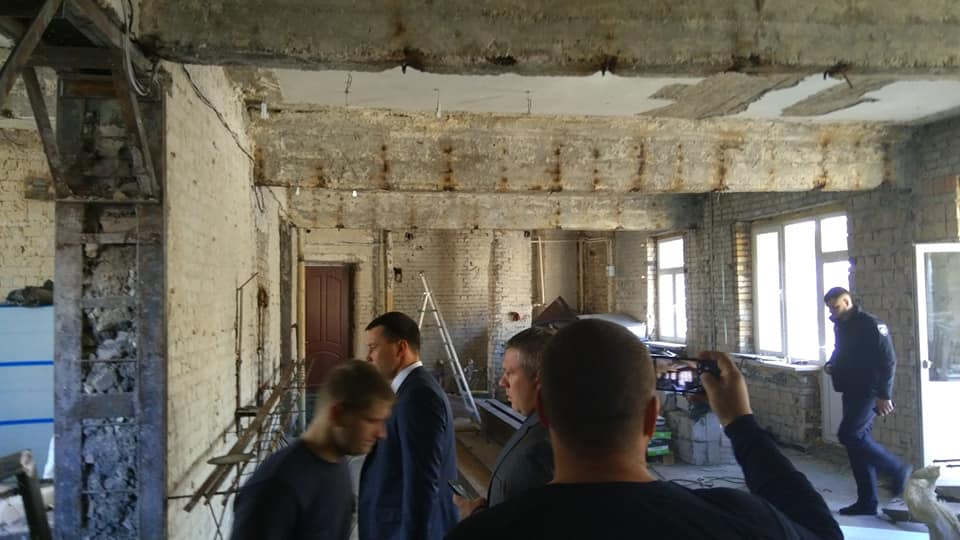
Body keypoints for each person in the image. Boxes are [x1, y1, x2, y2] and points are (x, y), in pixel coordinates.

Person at [446, 319, 842, 540]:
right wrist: (740, 422)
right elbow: (821, 531)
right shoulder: (739, 520)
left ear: (545, 412)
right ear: (651, 418)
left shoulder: (488, 532)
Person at [231, 360, 394, 540]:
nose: (382, 433)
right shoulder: (276, 488)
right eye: (371, 421)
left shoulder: (337, 462)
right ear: (337, 414)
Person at [358, 312, 458, 540]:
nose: (368, 357)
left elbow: (421, 484)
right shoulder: (409, 389)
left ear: (400, 348)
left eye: (373, 348)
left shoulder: (418, 396)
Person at [823, 286, 911, 516]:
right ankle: (867, 502)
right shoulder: (840, 324)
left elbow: (889, 360)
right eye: (830, 308)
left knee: (848, 435)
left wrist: (884, 395)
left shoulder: (871, 324)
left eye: (835, 307)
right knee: (856, 445)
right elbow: (840, 349)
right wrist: (831, 363)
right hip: (850, 389)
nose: (832, 312)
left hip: (869, 391)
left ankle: (897, 469)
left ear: (847, 301)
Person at [453, 327, 554, 517]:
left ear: (539, 379)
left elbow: (534, 525)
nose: (502, 382)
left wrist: (474, 520)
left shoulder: (544, 446)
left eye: (510, 373)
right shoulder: (535, 424)